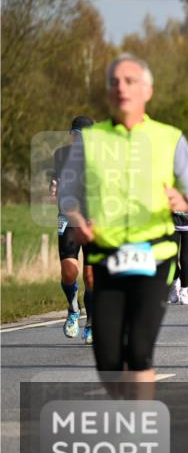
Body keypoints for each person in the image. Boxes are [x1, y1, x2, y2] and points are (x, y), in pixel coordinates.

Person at [58, 54, 188, 395]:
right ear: (108, 93)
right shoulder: (91, 142)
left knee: (138, 352)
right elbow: (67, 191)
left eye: (130, 81)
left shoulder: (168, 137)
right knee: (109, 361)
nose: (121, 88)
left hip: (155, 253)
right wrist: (79, 219)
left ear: (147, 91)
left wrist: (184, 201)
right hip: (106, 255)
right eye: (114, 82)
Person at [49, 116, 96, 342]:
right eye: (77, 135)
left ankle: (92, 322)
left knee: (91, 277)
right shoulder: (60, 155)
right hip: (68, 217)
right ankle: (73, 307)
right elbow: (55, 179)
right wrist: (54, 187)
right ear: (72, 135)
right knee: (69, 271)